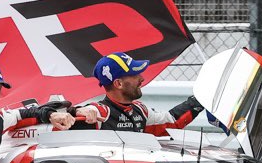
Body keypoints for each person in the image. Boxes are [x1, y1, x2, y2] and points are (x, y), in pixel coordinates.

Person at [68, 53, 202, 134]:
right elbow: (82, 113)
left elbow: (172, 121)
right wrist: (77, 111)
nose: (142, 78)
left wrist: (200, 100)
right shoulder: (101, 112)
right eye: (134, 74)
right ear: (118, 84)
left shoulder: (140, 110)